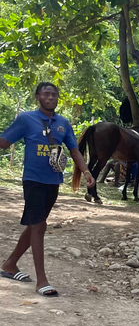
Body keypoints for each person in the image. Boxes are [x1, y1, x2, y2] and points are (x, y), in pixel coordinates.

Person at [0, 82, 95, 297]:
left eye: (54, 94)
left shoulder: (63, 123)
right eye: (46, 94)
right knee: (39, 225)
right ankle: (42, 281)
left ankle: (10, 264)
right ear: (37, 97)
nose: (51, 97)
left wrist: (87, 172)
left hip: (53, 181)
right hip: (32, 180)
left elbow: (74, 150)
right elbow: (4, 143)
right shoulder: (26, 119)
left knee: (36, 225)